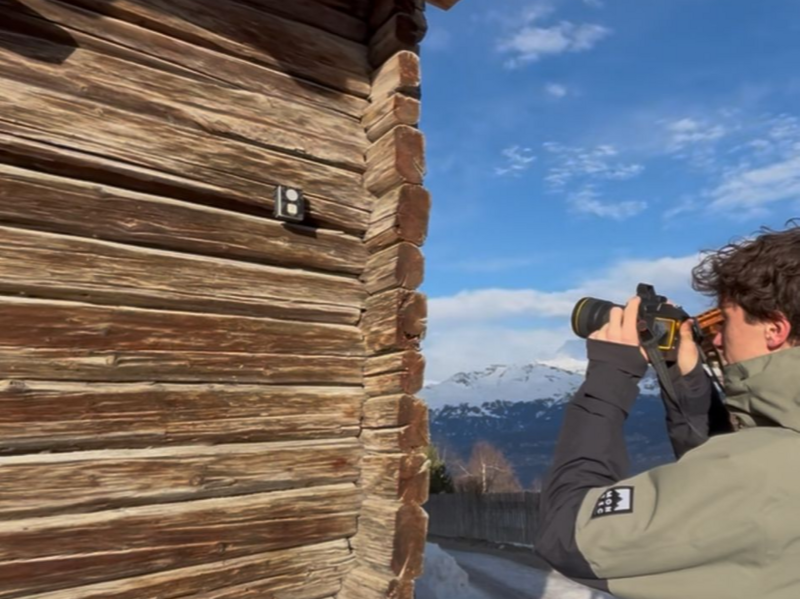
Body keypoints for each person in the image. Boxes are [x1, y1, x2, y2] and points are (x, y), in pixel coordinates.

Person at [534, 223, 800, 599]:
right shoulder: (776, 459)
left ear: (774, 329)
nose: (719, 338)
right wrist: (688, 383)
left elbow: (568, 532)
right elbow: (727, 502)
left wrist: (611, 375)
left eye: (725, 320)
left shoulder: (769, 478)